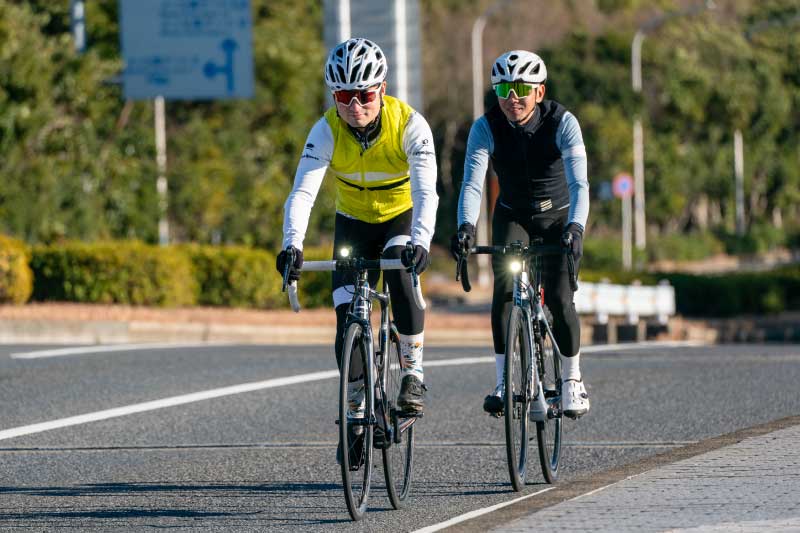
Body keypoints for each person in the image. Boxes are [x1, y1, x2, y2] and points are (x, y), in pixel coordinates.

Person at [277, 38, 438, 423]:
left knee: (400, 270)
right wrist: (291, 245)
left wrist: (421, 241)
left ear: (382, 88)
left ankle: (413, 372)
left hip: (400, 216)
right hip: (353, 222)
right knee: (345, 313)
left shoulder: (410, 125)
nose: (354, 107)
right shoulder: (325, 129)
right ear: (334, 95)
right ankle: (357, 404)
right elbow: (302, 192)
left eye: (364, 95)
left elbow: (426, 191)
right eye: (344, 95)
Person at [451, 50, 590, 419]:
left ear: (539, 92)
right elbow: (471, 185)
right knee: (505, 291)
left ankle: (572, 379)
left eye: (521, 88)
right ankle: (502, 381)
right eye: (503, 89)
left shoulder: (563, 123)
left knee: (560, 299)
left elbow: (580, 185)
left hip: (558, 218)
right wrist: (465, 226)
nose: (512, 97)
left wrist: (576, 228)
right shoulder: (486, 126)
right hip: (513, 216)